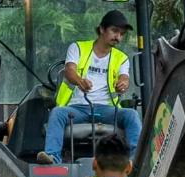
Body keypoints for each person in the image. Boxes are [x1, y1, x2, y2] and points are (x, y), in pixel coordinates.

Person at [38, 11, 142, 165]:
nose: (118, 37)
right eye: (114, 31)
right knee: (57, 113)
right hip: (77, 108)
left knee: (131, 115)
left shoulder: (122, 58)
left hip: (107, 109)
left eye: (122, 34)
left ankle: (134, 162)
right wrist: (80, 81)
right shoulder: (78, 48)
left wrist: (123, 83)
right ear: (102, 29)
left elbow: (124, 77)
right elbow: (69, 71)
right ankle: (53, 158)